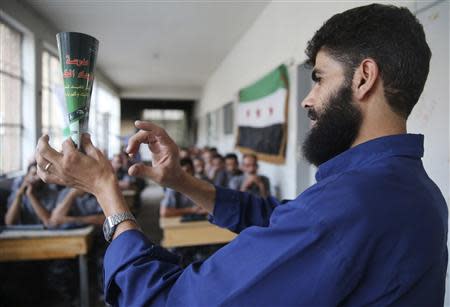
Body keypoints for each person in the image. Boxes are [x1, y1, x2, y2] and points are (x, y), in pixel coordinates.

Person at [35, 4, 447, 306]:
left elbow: (172, 301)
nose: (308, 99)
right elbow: (282, 219)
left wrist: (106, 192)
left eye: (319, 79)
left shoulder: (351, 205)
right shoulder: (418, 192)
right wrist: (180, 180)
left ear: (363, 78)